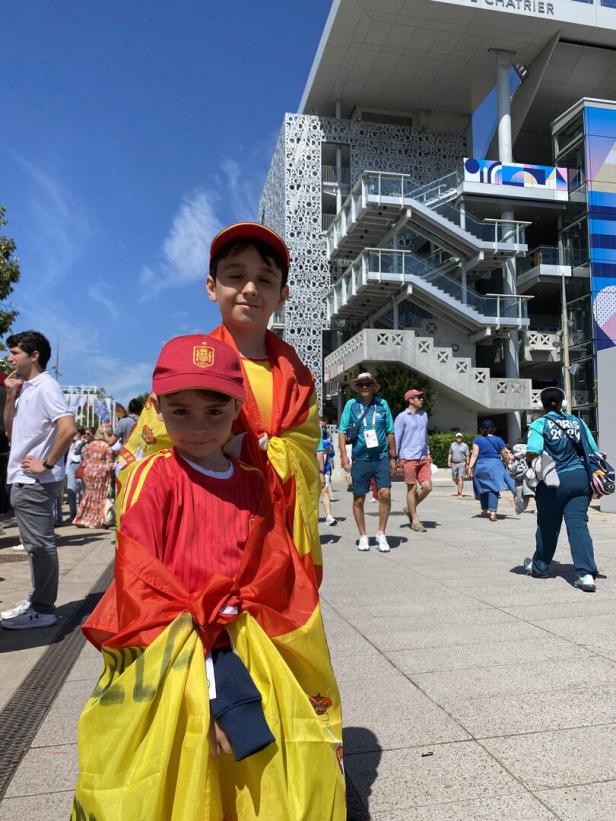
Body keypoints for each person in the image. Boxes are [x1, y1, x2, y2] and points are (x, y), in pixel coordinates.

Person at [73, 334, 345, 819]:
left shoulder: (255, 482)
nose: (198, 427)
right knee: (177, 771)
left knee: (256, 779)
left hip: (246, 643)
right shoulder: (152, 478)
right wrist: (203, 656)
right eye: (180, 412)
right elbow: (139, 573)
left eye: (215, 411)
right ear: (158, 408)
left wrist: (248, 607)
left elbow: (275, 563)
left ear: (237, 405)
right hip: (173, 650)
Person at [118, 223, 324, 584]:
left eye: (265, 279)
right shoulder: (188, 368)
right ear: (211, 287)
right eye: (235, 276)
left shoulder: (301, 381)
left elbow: (304, 457)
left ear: (282, 295)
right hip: (199, 553)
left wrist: (262, 453)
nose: (249, 289)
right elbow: (145, 461)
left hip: (275, 548)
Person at [0, 331, 76, 630]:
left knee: (40, 546)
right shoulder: (27, 388)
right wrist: (10, 396)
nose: (9, 358)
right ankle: (36, 600)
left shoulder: (46, 387)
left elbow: (68, 428)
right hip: (25, 478)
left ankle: (43, 608)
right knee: (34, 546)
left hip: (34, 481)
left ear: (34, 356)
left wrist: (46, 463)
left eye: (15, 352)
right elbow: (10, 432)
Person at [523, 386, 600, 592]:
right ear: (564, 403)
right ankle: (586, 575)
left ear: (541, 405)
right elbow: (593, 450)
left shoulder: (540, 423)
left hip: (554, 481)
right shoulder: (578, 422)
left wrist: (528, 466)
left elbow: (533, 451)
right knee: (578, 526)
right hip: (580, 479)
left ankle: (540, 567)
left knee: (548, 526)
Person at [339, 372, 396, 552]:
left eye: (368, 384)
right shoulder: (351, 404)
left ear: (373, 386)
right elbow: (341, 431)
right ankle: (363, 535)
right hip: (360, 458)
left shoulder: (382, 404)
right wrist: (343, 455)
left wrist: (394, 457)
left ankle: (381, 533)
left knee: (385, 493)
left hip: (380, 456)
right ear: (358, 387)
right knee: (358, 498)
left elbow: (390, 431)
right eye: (361, 384)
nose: (365, 387)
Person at [395, 388, 432, 532]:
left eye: (422, 397)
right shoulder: (402, 417)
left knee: (428, 486)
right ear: (410, 400)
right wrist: (396, 459)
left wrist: (428, 452)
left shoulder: (424, 415)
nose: (422, 399)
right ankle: (415, 520)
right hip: (408, 457)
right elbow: (397, 438)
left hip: (423, 457)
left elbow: (424, 436)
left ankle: (409, 508)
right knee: (412, 488)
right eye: (419, 397)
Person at [468, 419, 515, 522]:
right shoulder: (498, 440)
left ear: (482, 429)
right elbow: (504, 454)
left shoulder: (477, 440)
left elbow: (475, 454)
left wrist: (470, 466)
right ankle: (493, 513)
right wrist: (508, 463)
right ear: (492, 429)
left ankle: (484, 510)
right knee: (493, 488)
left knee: (483, 488)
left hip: (481, 466)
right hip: (495, 466)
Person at [73, 428, 115, 528]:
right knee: (100, 496)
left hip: (89, 472)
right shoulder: (106, 447)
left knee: (88, 494)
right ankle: (98, 519)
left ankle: (82, 518)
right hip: (101, 473)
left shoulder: (90, 445)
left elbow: (85, 461)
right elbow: (109, 464)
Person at [317, 416, 336, 525]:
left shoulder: (328, 436)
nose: (323, 423)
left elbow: (332, 453)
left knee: (325, 490)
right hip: (313, 467)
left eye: (325, 421)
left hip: (325, 467)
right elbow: (318, 451)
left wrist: (329, 451)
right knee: (315, 494)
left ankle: (328, 516)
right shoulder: (314, 433)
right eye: (321, 421)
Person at [66, 429, 87, 520]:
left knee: (82, 491)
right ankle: (73, 514)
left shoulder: (84, 443)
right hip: (71, 466)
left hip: (81, 465)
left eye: (76, 433)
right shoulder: (71, 444)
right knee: (71, 491)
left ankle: (81, 514)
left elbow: (78, 452)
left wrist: (81, 441)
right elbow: (69, 458)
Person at [448, 432, 469, 497]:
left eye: (460, 437)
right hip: (454, 463)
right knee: (454, 478)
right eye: (457, 437)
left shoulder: (465, 445)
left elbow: (467, 455)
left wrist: (467, 463)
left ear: (462, 438)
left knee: (460, 478)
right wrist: (449, 461)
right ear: (455, 438)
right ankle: (460, 485)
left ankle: (460, 492)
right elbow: (450, 453)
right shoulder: (452, 445)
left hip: (462, 463)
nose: (459, 438)